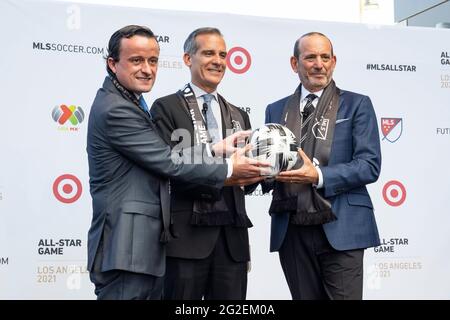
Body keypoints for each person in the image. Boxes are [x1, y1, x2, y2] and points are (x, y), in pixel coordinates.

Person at [86, 25, 266, 300]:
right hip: (130, 248)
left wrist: (215, 149)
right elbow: (168, 162)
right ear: (112, 63)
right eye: (136, 60)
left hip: (146, 249)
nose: (147, 69)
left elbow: (167, 158)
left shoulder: (130, 102)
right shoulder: (117, 109)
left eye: (153, 61)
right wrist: (229, 168)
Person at [263, 32, 381, 300]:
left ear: (334, 61)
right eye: (310, 57)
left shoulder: (357, 104)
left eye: (325, 57)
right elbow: (271, 167)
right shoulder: (275, 109)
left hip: (343, 226)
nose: (319, 64)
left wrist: (317, 175)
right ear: (295, 64)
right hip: (292, 228)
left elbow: (369, 165)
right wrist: (257, 173)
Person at [151, 27, 255, 300]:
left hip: (232, 241)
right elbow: (167, 166)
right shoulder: (166, 107)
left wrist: (266, 170)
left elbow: (246, 175)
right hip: (185, 239)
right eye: (209, 53)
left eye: (223, 54)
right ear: (188, 59)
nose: (218, 61)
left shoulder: (239, 115)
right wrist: (220, 163)